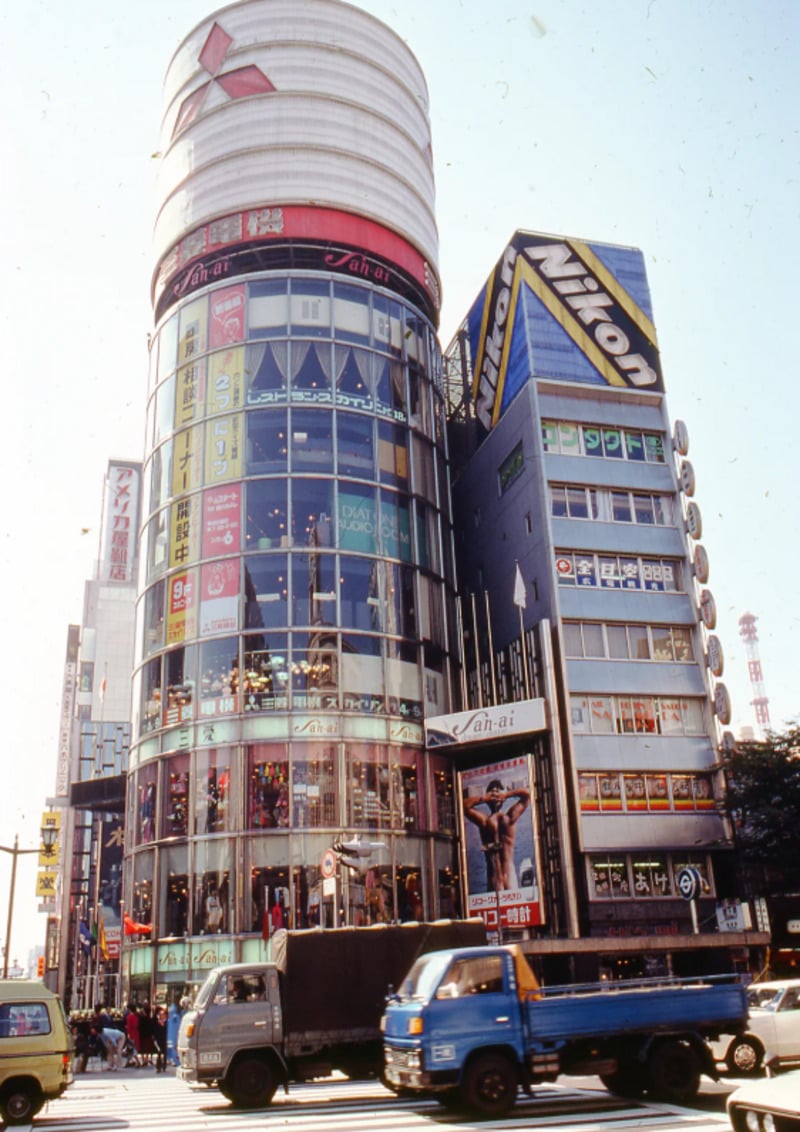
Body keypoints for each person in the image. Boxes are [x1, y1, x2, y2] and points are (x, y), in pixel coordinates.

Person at [463, 779, 530, 892]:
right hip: (496, 878)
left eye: (497, 792)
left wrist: (506, 794)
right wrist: (484, 798)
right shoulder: (485, 821)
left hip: (507, 876)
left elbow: (528, 794)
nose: (495, 795)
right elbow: (464, 806)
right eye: (492, 793)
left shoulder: (508, 818)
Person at [152, 1006, 167, 1073]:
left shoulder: (167, 1023)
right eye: (160, 1015)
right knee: (159, 1052)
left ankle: (164, 1066)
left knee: (165, 1053)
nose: (162, 1016)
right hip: (158, 1039)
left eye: (163, 1015)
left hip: (164, 1039)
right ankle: (158, 1067)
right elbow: (154, 1031)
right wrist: (154, 1038)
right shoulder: (157, 1022)